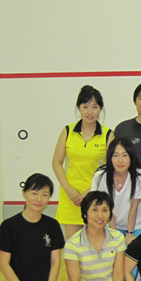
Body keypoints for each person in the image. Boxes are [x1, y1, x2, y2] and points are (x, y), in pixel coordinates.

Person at [92, 137, 141, 281]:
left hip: (136, 225)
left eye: (124, 155)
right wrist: (115, 234)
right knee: (114, 262)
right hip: (110, 224)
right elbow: (105, 208)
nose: (120, 160)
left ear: (131, 157)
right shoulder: (101, 176)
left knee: (130, 265)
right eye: (115, 155)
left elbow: (134, 208)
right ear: (109, 157)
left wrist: (129, 234)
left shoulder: (140, 176)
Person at [53, 85, 114, 239]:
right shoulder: (67, 131)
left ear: (101, 109)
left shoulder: (108, 135)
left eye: (95, 107)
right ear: (78, 108)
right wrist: (68, 189)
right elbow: (56, 162)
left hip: (95, 197)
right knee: (73, 246)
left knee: (95, 245)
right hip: (70, 198)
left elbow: (110, 168)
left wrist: (89, 191)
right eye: (85, 106)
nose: (90, 112)